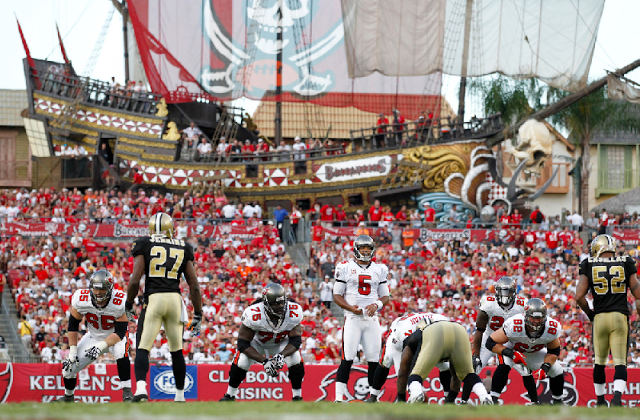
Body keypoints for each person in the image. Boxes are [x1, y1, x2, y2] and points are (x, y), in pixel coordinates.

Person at [125, 212, 203, 402]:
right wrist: (198, 314)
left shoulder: (145, 243)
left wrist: (128, 304)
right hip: (175, 300)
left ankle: (141, 390)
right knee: (176, 350)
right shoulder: (184, 246)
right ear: (170, 229)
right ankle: (179, 395)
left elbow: (135, 280)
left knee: (143, 347)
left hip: (154, 299)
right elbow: (194, 285)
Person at [576, 234, 640, 406]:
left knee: (599, 362)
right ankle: (617, 398)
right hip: (620, 316)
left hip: (600, 317)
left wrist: (590, 314)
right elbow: (638, 293)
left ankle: (600, 401)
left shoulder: (588, 263)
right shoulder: (625, 261)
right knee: (620, 362)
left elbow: (579, 296)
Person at [220, 284, 305, 401]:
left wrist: (282, 355)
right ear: (266, 304)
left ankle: (297, 396)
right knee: (242, 361)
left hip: (280, 343)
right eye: (276, 303)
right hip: (257, 343)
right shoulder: (253, 313)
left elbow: (296, 340)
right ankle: (230, 395)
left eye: (282, 302)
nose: (281, 306)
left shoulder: (293, 311)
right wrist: (264, 361)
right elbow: (242, 343)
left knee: (295, 358)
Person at [57, 270, 132, 402]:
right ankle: (68, 397)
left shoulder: (119, 300)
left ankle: (127, 392)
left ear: (110, 289)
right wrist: (72, 351)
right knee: (68, 367)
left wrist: (101, 346)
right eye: (96, 289)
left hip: (114, 337)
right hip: (93, 336)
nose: (98, 293)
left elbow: (120, 332)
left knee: (121, 351)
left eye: (102, 290)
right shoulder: (81, 298)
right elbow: (73, 325)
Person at [332, 235, 390, 402]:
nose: (365, 251)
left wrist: (377, 305)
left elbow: (386, 296)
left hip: (371, 319)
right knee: (347, 358)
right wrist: (351, 308)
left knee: (373, 360)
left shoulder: (379, 269)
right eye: (363, 248)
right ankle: (338, 398)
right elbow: (336, 295)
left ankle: (373, 397)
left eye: (368, 248)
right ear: (356, 249)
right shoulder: (345, 267)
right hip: (352, 318)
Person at [485, 298, 565, 405]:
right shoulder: (514, 324)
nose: (536, 322)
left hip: (532, 353)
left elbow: (554, 351)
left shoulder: (551, 327)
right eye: (533, 318)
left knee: (557, 370)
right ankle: (493, 399)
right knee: (504, 365)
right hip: (510, 349)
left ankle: (557, 401)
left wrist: (545, 367)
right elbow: (490, 343)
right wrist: (511, 353)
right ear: (526, 316)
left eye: (539, 318)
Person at [469, 277, 536, 404]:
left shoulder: (522, 304)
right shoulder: (488, 303)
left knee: (525, 370)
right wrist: (476, 355)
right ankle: (463, 400)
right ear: (497, 291)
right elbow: (479, 331)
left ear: (514, 292)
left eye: (509, 291)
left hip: (509, 341)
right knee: (474, 369)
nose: (506, 295)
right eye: (503, 291)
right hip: (488, 339)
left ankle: (534, 402)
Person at [368, 312, 460, 403]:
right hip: (400, 332)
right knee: (387, 361)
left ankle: (448, 400)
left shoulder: (446, 326)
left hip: (425, 334)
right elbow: (401, 372)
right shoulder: (401, 334)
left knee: (444, 366)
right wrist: (414, 391)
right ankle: (375, 396)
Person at [397, 318, 491, 404]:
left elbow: (409, 366)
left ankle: (416, 394)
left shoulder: (419, 333)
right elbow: (456, 376)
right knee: (468, 374)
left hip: (435, 333)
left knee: (416, 375)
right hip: (459, 330)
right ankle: (485, 396)